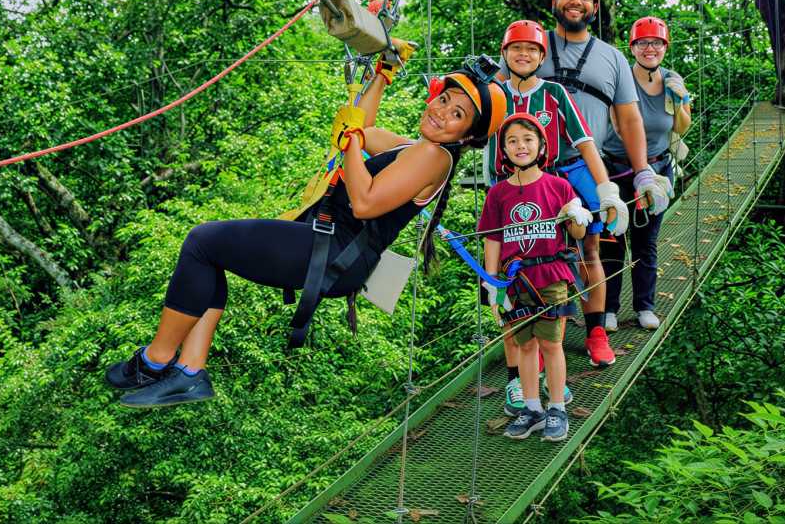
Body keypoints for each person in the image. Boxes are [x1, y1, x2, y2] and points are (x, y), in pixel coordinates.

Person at [104, 48, 508, 408]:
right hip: (330, 243)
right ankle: (189, 372)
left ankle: (155, 361)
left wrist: (350, 141)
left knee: (202, 242)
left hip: (336, 250)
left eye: (457, 114)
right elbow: (359, 129)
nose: (440, 111)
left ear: (468, 135)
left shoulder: (434, 158)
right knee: (209, 252)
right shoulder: (412, 148)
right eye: (444, 99)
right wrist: (381, 76)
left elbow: (365, 201)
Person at [500, 0, 671, 367]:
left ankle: (595, 330)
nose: (575, 2)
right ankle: (535, 337)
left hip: (581, 166)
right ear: (555, 3)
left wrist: (642, 170)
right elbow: (497, 97)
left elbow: (628, 120)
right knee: (529, 250)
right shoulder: (531, 48)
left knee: (591, 248)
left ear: (594, 8)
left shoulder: (612, 58)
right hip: (531, 172)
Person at [488, 20, 629, 417]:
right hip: (506, 193)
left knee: (576, 255)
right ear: (505, 53)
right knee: (508, 279)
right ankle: (517, 379)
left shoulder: (554, 93)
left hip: (554, 184)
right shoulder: (494, 95)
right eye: (515, 49)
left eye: (531, 50)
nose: (523, 55)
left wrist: (606, 190)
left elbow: (584, 142)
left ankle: (590, 335)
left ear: (541, 56)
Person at [479, 113, 593, 441]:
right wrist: (492, 283)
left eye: (528, 140)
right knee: (524, 343)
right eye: (512, 141)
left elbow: (577, 231)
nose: (521, 146)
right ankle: (532, 407)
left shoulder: (558, 186)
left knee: (551, 343)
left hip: (551, 275)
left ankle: (557, 406)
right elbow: (493, 239)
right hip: (515, 279)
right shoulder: (498, 194)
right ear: (504, 150)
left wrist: (576, 214)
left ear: (541, 145)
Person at [602, 17, 690, 331]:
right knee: (611, 239)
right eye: (643, 43)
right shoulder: (619, 78)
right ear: (633, 47)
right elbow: (613, 122)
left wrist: (679, 102)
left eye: (656, 43)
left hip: (658, 169)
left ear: (665, 47)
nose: (649, 48)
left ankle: (644, 307)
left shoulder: (672, 79)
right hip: (617, 168)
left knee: (646, 242)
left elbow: (681, 127)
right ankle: (608, 310)